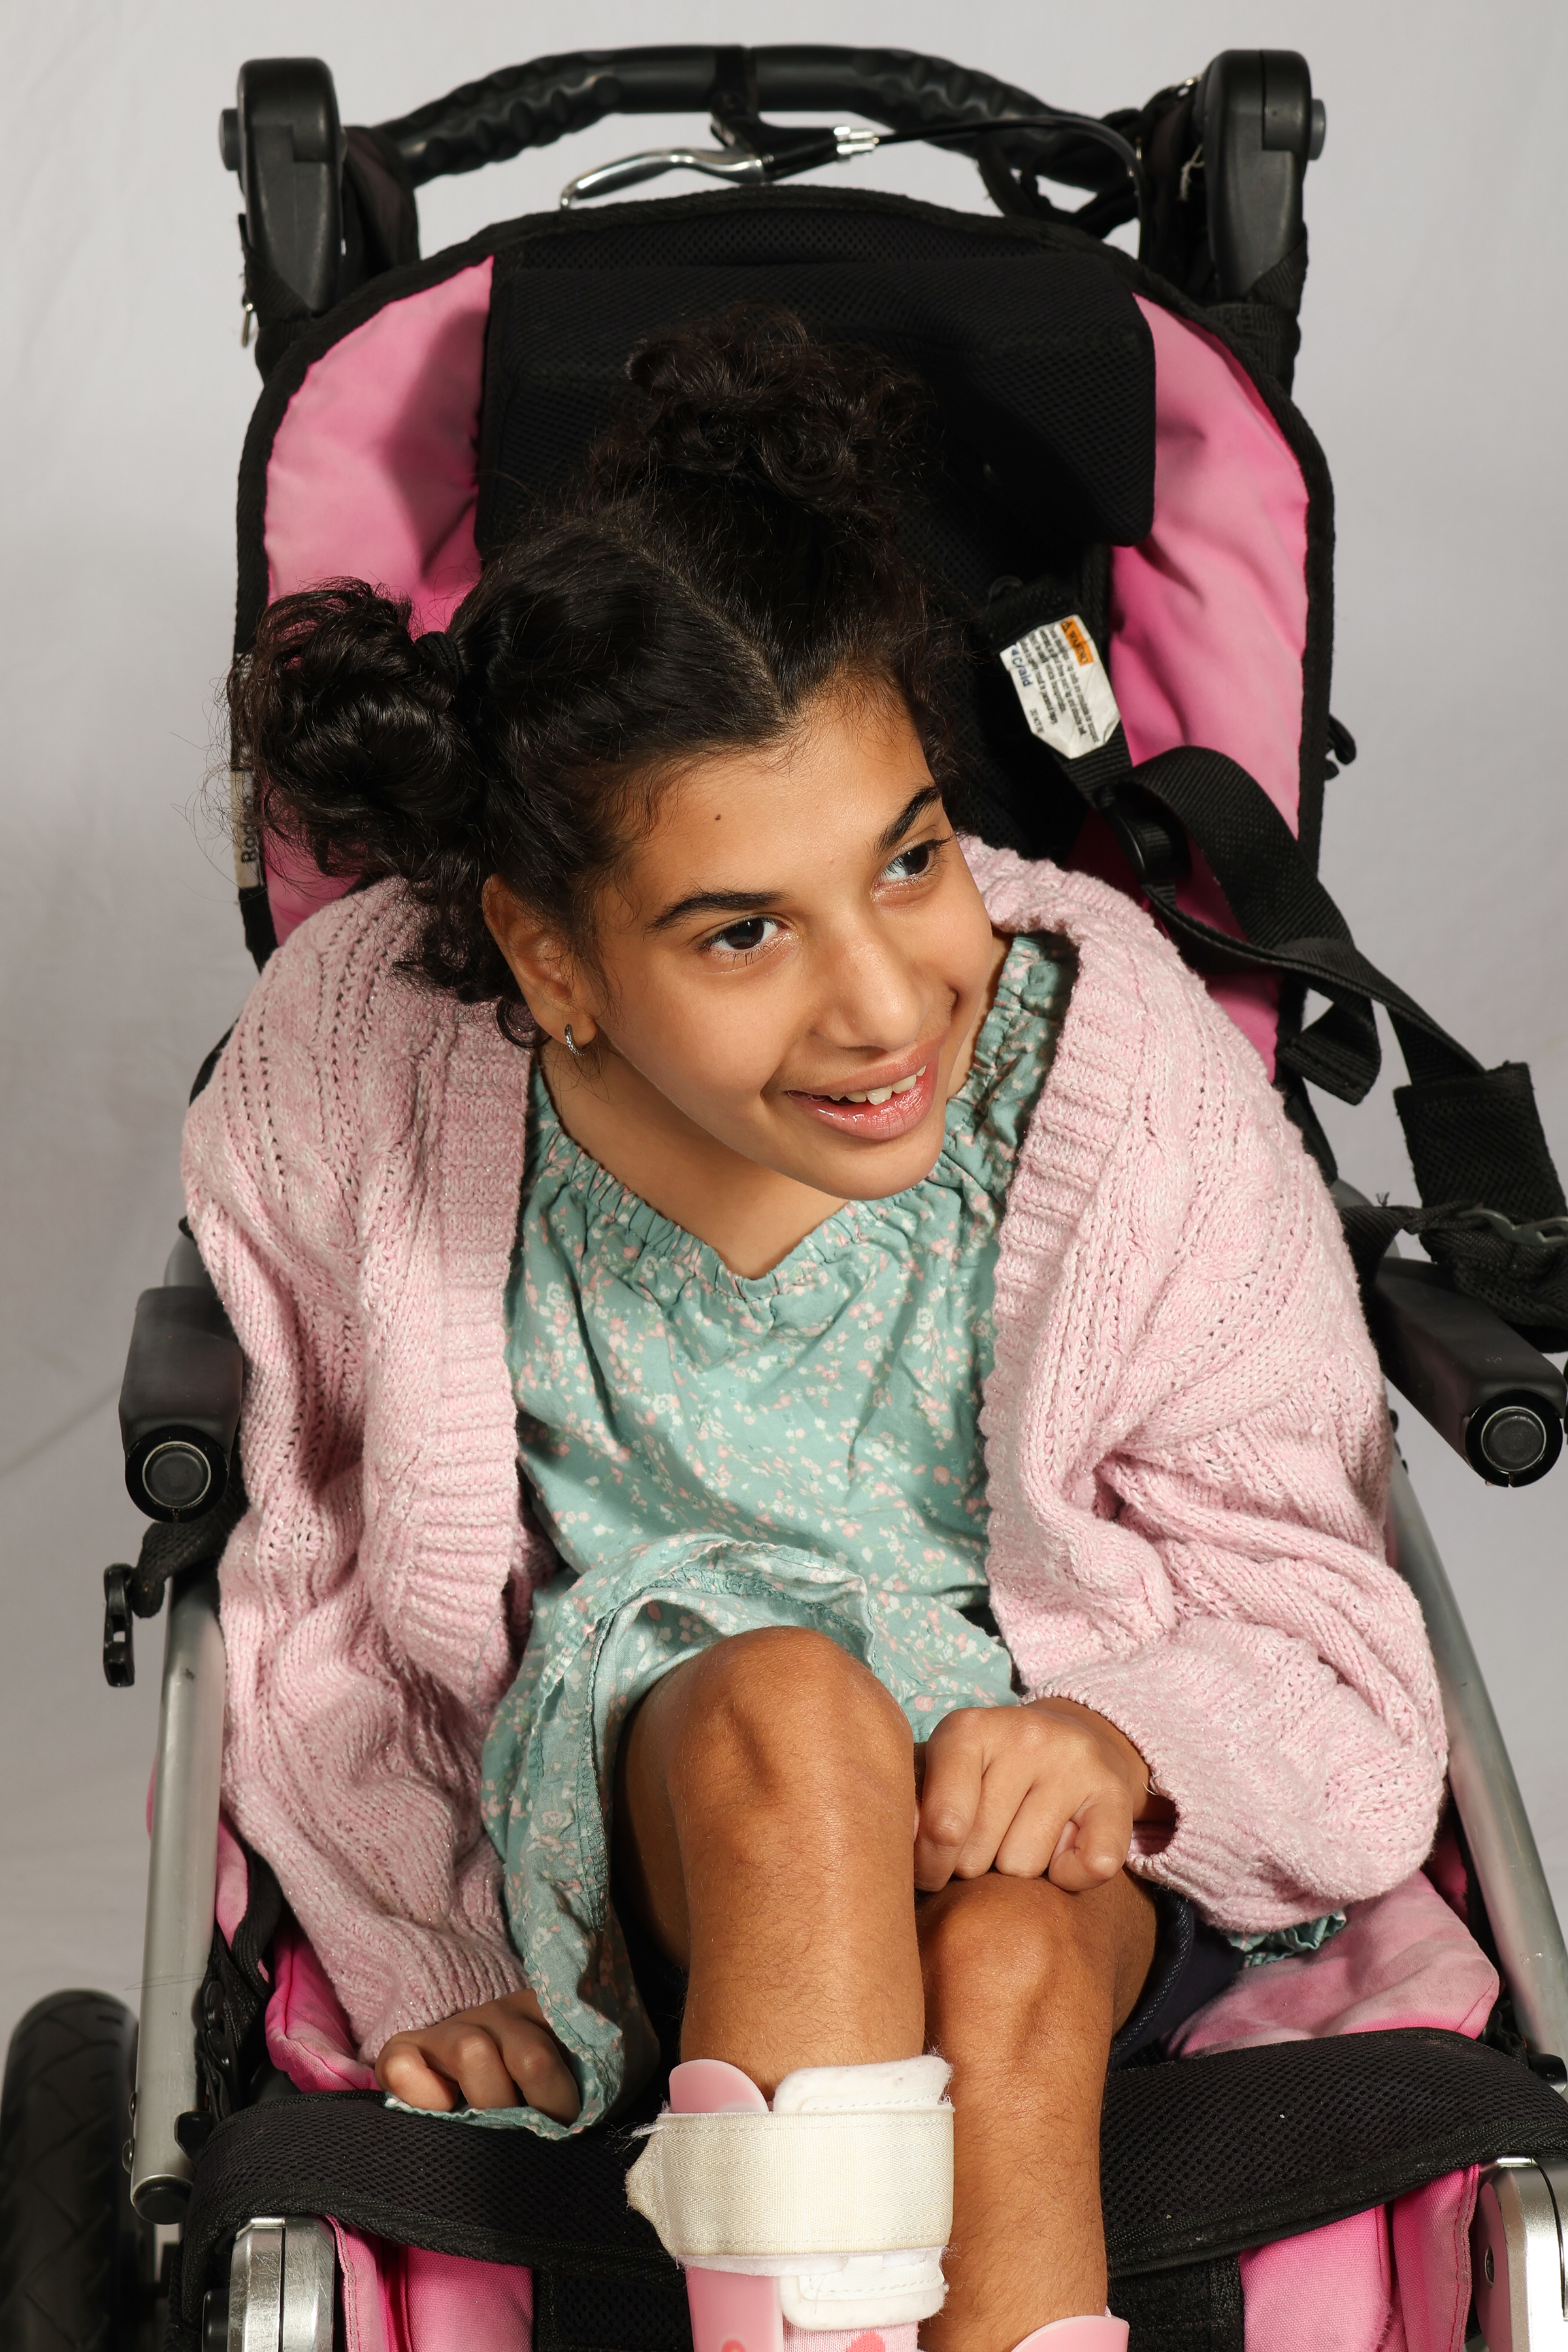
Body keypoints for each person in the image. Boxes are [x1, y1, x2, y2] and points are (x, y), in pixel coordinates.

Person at [188, 310, 1446, 2352]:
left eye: (911, 858)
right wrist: (428, 1952)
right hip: (664, 1799)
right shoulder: (365, 1070)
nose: (881, 1004)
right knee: (794, 1723)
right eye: (745, 931)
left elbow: (1324, 1627)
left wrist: (1128, 1742)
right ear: (548, 959)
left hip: (1037, 1777)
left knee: (1015, 1973)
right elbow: (319, 1573)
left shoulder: (1109, 1074)